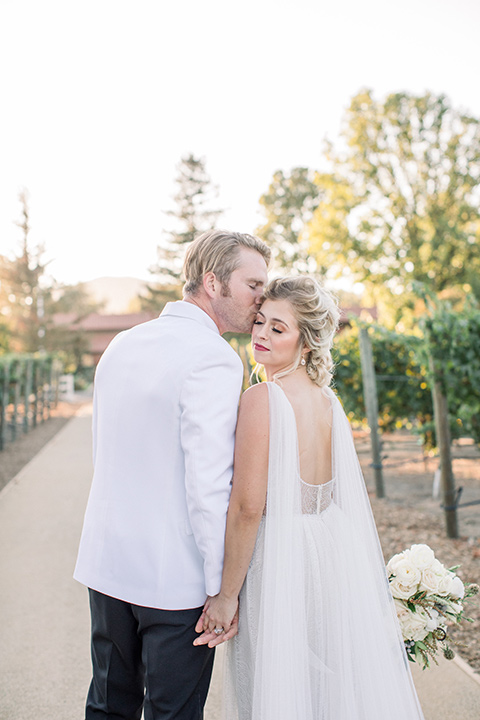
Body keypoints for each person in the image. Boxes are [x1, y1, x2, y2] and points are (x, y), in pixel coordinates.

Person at [195, 276, 424, 719]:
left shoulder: (262, 399)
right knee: (322, 685)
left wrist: (225, 596)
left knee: (274, 686)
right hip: (328, 551)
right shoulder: (327, 401)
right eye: (260, 321)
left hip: (279, 557)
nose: (260, 334)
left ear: (307, 343)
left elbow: (247, 508)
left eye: (277, 329)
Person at [74, 229, 270, 720]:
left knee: (107, 703)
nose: (262, 300)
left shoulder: (123, 343)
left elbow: (106, 453)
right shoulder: (215, 358)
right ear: (212, 282)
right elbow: (209, 488)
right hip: (175, 581)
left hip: (108, 563)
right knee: (173, 713)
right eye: (253, 285)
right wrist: (219, 590)